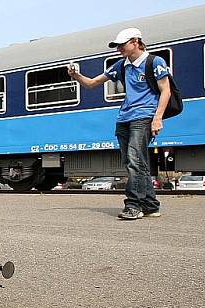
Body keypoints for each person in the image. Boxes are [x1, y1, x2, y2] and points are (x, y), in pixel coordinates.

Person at [68, 27, 168, 220]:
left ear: (135, 42)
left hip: (144, 116)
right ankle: (150, 205)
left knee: (134, 159)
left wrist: (157, 118)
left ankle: (134, 205)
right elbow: (91, 83)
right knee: (136, 162)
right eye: (117, 46)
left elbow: (166, 90)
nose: (119, 49)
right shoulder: (121, 66)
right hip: (124, 118)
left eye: (122, 45)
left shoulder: (154, 62)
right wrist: (76, 76)